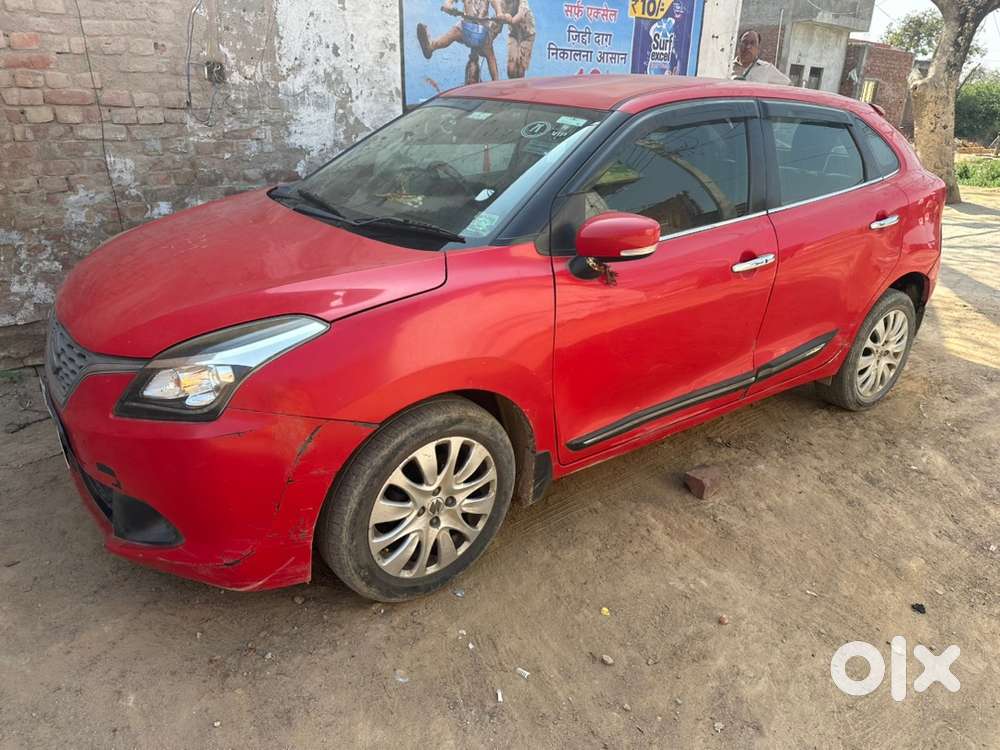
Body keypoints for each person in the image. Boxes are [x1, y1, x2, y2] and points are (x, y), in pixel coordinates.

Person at [416, 0, 501, 83]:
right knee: (453, 33)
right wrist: (448, 5)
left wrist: (499, 12)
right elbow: (449, 2)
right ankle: (431, 47)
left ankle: (496, 82)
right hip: (465, 27)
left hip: (482, 30)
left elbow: (495, 2)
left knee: (490, 54)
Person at [492, 0, 536, 79]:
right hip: (514, 34)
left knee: (520, 68)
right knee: (511, 68)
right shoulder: (501, 3)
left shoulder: (522, 2)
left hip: (527, 35)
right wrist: (499, 16)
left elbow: (520, 15)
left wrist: (508, 18)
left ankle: (520, 88)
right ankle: (512, 88)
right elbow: (497, 26)